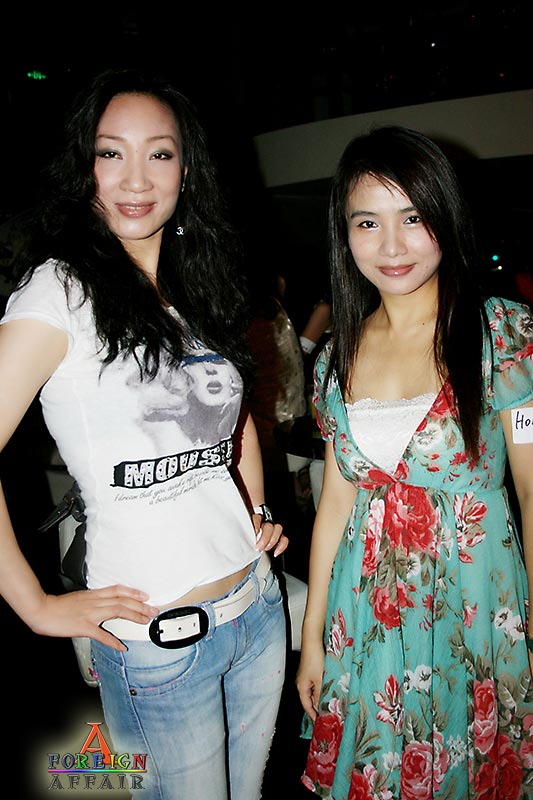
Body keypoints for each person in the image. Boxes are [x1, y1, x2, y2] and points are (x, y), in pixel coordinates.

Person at [0, 66, 289, 800]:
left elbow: (233, 422)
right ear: (84, 166)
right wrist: (35, 605)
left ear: (187, 170)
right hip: (160, 641)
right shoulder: (59, 291)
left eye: (159, 153)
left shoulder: (198, 283)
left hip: (257, 608)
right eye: (111, 152)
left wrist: (254, 509)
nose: (136, 178)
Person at [295, 124, 533, 798]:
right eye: (367, 222)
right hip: (365, 614)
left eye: (412, 217)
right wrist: (312, 636)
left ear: (444, 218)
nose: (391, 245)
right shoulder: (336, 358)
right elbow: (334, 504)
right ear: (344, 233)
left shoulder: (503, 334)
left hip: (477, 610)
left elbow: (531, 488)